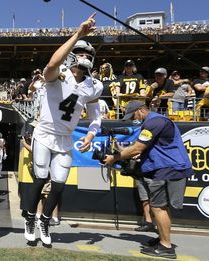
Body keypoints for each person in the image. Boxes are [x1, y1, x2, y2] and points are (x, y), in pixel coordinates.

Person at [24, 13, 103, 245]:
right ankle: (30, 217)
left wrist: (91, 133)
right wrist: (78, 34)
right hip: (45, 133)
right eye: (80, 53)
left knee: (58, 185)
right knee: (39, 179)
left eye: (89, 54)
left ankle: (45, 221)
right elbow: (51, 64)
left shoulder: (94, 85)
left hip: (66, 138)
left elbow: (96, 116)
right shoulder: (58, 74)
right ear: (70, 55)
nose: (85, 57)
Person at [104, 100, 192, 259]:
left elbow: (138, 148)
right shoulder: (155, 121)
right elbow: (143, 150)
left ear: (141, 110)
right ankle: (163, 239)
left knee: (158, 207)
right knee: (161, 207)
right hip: (168, 167)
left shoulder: (154, 121)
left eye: (133, 115)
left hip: (168, 168)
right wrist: (121, 150)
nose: (133, 119)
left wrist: (114, 158)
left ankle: (166, 246)